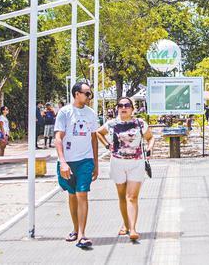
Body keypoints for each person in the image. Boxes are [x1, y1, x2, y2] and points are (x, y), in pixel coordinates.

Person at [95, 97, 154, 242]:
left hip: (136, 163)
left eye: (127, 105)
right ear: (117, 108)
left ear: (132, 108)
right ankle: (126, 224)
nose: (123, 107)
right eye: (120, 105)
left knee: (132, 197)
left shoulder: (140, 123)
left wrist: (150, 149)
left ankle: (133, 228)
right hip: (117, 163)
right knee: (122, 197)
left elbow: (150, 138)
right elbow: (98, 133)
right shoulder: (111, 124)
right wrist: (107, 146)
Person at [55, 81, 99, 249]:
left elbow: (94, 139)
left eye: (90, 94)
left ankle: (82, 234)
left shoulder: (91, 114)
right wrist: (63, 162)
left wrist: (95, 163)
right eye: (87, 93)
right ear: (76, 94)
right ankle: (75, 229)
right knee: (72, 195)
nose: (89, 97)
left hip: (85, 161)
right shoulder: (65, 113)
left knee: (82, 194)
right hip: (68, 161)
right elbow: (58, 138)